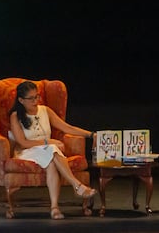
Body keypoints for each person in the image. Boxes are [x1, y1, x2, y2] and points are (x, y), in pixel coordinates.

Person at [9, 80, 96, 220]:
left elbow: (67, 127)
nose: (35, 101)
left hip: (46, 151)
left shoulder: (45, 111)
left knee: (51, 164)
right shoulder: (15, 116)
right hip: (27, 152)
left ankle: (54, 208)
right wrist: (47, 141)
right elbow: (22, 142)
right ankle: (77, 185)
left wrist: (90, 135)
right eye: (31, 98)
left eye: (36, 96)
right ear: (21, 100)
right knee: (53, 147)